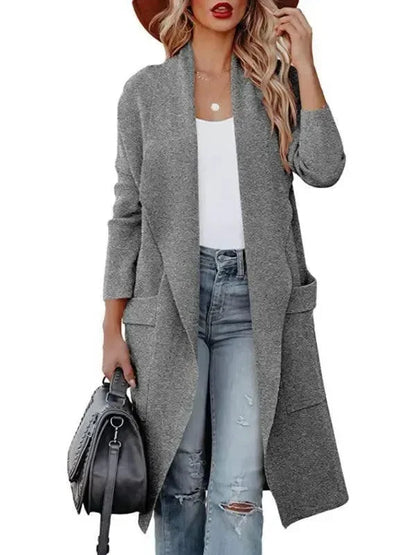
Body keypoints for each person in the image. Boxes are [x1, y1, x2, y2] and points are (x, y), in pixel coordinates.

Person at [102, 1, 349, 553]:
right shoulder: (144, 93)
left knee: (239, 491)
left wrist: (304, 61)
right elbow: (127, 214)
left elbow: (325, 167)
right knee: (179, 482)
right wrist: (110, 328)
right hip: (168, 305)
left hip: (253, 302)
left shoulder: (274, 83)